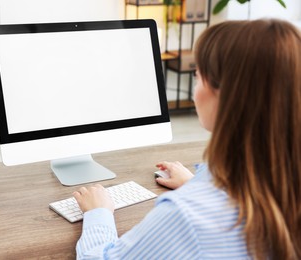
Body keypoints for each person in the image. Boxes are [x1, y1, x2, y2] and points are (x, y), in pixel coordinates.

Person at [73, 19, 301, 259]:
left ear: (226, 97)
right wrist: (197, 184)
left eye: (197, 75)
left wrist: (98, 212)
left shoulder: (185, 217)